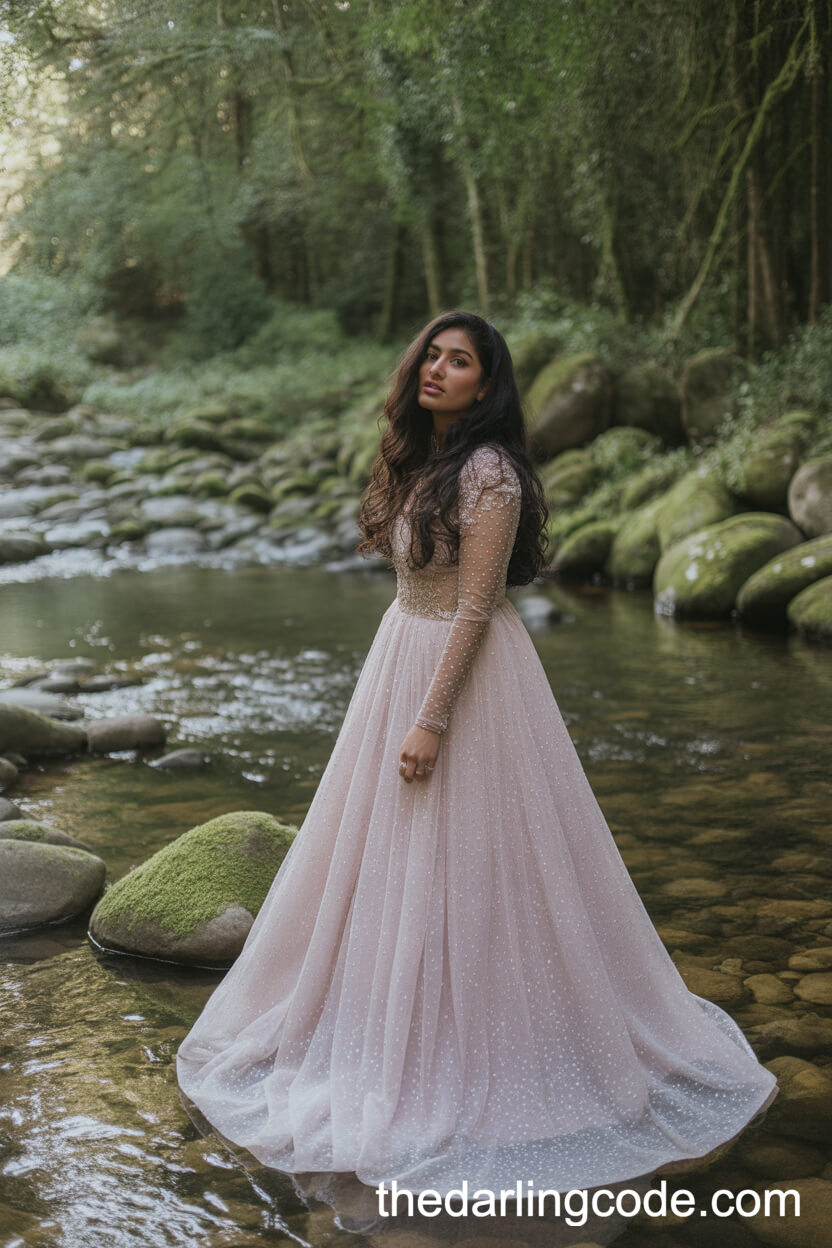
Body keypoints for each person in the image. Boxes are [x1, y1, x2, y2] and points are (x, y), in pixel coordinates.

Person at [176, 311, 778, 1202]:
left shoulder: (490, 472)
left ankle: (486, 1045)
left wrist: (431, 720)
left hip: (463, 684)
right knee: (391, 858)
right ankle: (395, 1021)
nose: (437, 368)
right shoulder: (422, 457)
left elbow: (475, 607)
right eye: (432, 353)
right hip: (399, 658)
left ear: (486, 385)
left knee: (476, 860)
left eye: (459, 362)